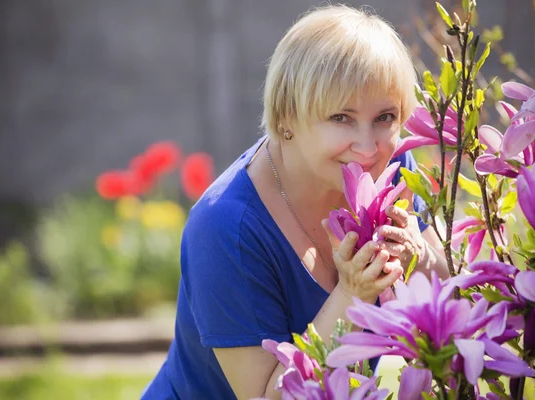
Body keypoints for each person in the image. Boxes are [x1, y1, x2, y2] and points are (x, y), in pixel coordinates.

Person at [141, 4, 449, 400]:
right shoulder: (224, 229)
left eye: (385, 116)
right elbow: (264, 396)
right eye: (341, 117)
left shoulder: (390, 169)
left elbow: (449, 295)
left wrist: (419, 253)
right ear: (287, 116)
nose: (369, 146)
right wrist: (351, 295)